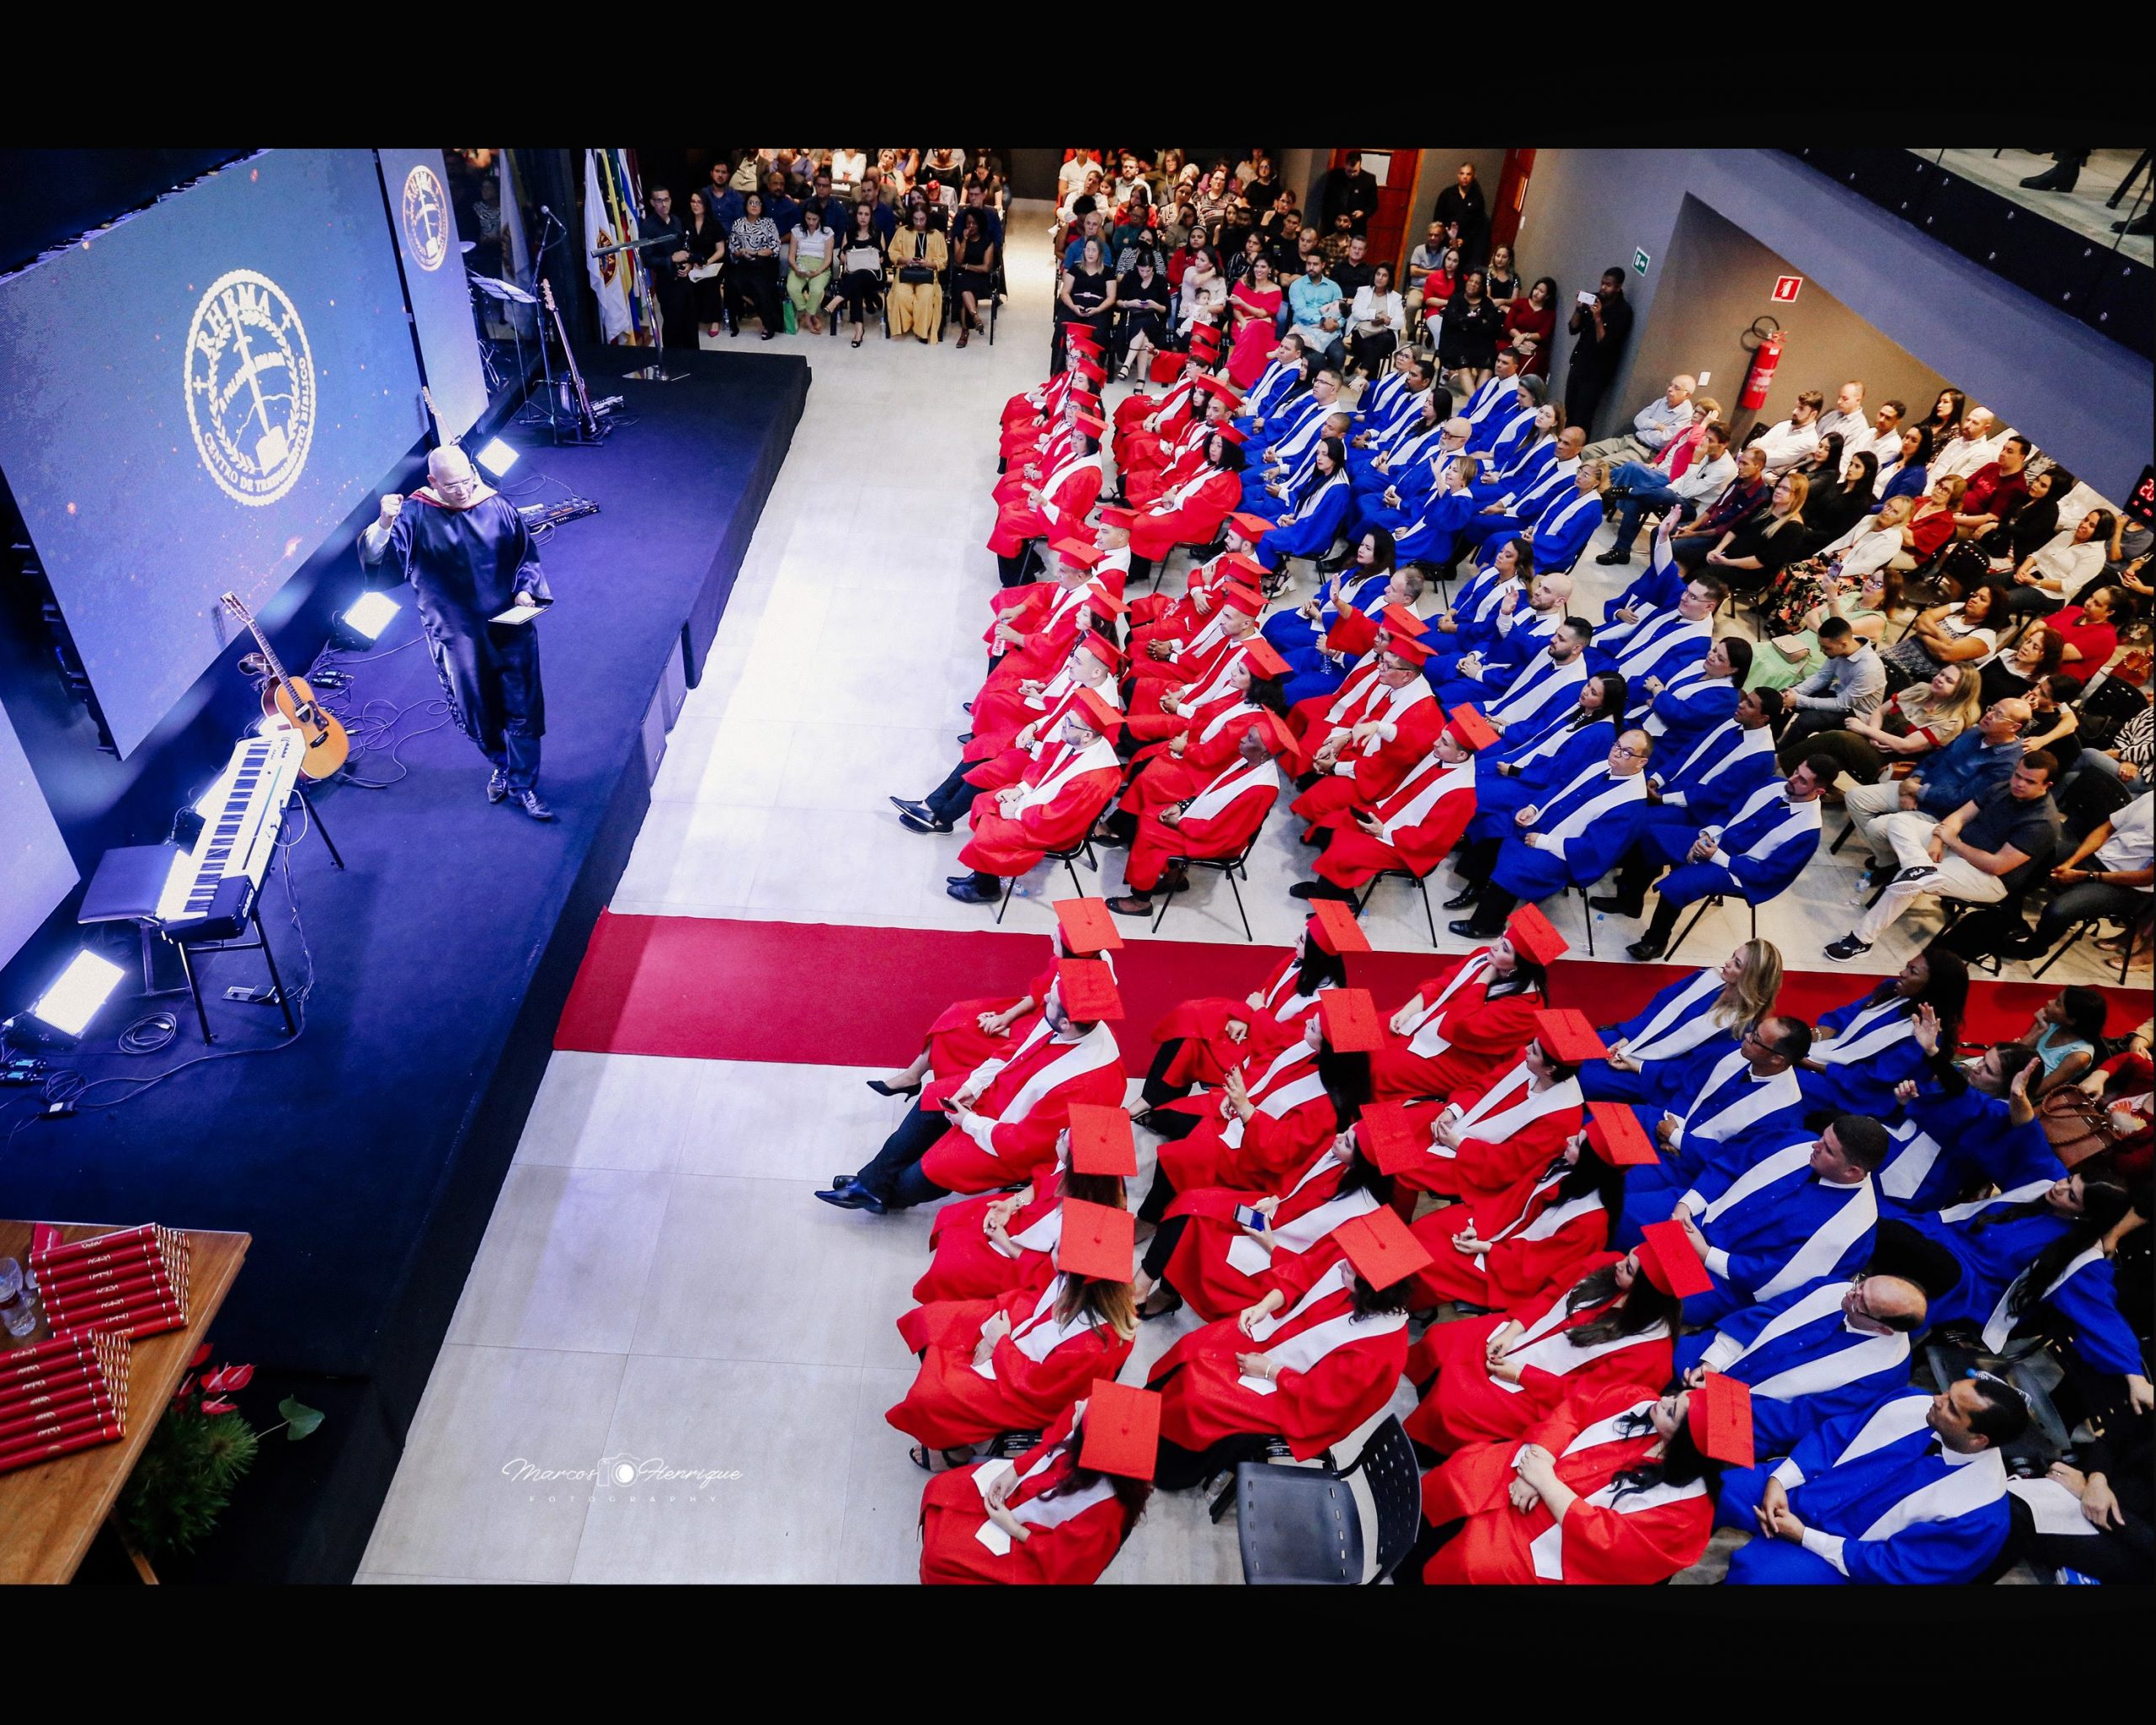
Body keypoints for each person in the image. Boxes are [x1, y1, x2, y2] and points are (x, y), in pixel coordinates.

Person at [1146, 1205, 1427, 1490]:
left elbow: (1321, 1400)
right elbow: (1302, 1272)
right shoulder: (1352, 1259)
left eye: (1351, 1271)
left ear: (1371, 1290)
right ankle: (1147, 1418)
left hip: (1295, 1397)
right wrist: (1264, 1306)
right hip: (1279, 1333)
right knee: (1195, 1347)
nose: (1342, 1264)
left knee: (1200, 1394)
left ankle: (1169, 1470)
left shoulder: (1378, 1353)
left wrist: (1269, 1370)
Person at [819, 968, 1128, 1215]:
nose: (1044, 997)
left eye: (1052, 1000)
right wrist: (973, 1086)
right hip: (999, 1095)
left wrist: (969, 1122)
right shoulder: (1067, 1021)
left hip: (1010, 1139)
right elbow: (1013, 1050)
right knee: (933, 1099)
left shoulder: (1089, 1081)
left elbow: (1026, 1143)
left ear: (1066, 1022)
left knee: (933, 1168)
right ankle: (872, 1183)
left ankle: (890, 1196)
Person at [1407, 1374, 1753, 1586]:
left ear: (1686, 1445)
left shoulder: (1684, 1515)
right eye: (1675, 1396)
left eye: (1671, 1411)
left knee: (1475, 1561)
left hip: (1565, 1537)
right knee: (1463, 1475)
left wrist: (1545, 1482)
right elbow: (1575, 1411)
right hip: (1538, 1469)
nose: (1662, 1399)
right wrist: (1543, 1455)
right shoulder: (1640, 1401)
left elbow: (1608, 1543)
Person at [359, 446, 552, 818]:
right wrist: (383, 524)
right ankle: (503, 765)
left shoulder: (497, 506)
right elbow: (382, 567)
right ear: (433, 481)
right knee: (477, 709)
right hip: (457, 634)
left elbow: (525, 557)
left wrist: (526, 589)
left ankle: (524, 785)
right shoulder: (415, 514)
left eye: (467, 481)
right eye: (452, 486)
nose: (463, 491)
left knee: (524, 708)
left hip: (509, 628)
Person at [1404, 1226, 1691, 1456]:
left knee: (1454, 1401)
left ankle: (1424, 1449)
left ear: (1646, 1294)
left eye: (1628, 1269)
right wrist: (1513, 1330)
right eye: (1627, 1257)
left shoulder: (1649, 1356)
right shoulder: (1607, 1266)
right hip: (1527, 1331)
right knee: (1442, 1340)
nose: (1618, 1263)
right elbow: (1551, 1293)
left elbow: (1585, 1399)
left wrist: (1521, 1375)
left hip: (1546, 1395)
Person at [887, 1208, 1137, 1466]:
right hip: (1017, 1326)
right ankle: (954, 1430)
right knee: (932, 1321)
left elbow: (1040, 1389)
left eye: (1058, 1251)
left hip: (1028, 1387)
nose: (1052, 1253)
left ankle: (956, 1450)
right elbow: (1031, 1295)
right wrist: (991, 1332)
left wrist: (1000, 1344)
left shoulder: (1094, 1346)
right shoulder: (1089, 1283)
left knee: (931, 1397)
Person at [1717, 1378, 2027, 1584]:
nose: (1936, 1399)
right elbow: (1834, 1438)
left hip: (1845, 1557)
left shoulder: (1980, 1516)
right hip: (1803, 1491)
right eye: (1947, 1392)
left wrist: (1803, 1536)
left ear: (1977, 1440)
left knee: (1757, 1577)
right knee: (1713, 1490)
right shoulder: (1909, 1401)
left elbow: (1895, 1568)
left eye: (1952, 1408)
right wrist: (1779, 1481)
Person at [1822, 749, 2062, 964]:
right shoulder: (2002, 788)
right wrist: (1939, 839)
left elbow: (1996, 865)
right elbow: (1959, 817)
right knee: (1897, 822)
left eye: (2029, 781)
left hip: (1988, 878)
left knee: (1911, 882)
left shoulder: (2042, 822)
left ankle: (1861, 940)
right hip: (1956, 847)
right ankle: (1917, 866)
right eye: (2017, 775)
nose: (2019, 783)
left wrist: (1951, 841)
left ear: (2047, 785)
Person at [1675, 1271, 1925, 1458]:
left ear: (1883, 1329)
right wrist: (1714, 1360)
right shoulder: (1833, 1287)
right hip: (1731, 1349)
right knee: (1655, 1350)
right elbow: (1765, 1314)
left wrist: (1719, 1399)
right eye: (1861, 1284)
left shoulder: (1884, 1374)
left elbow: (1800, 1418)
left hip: (1755, 1415)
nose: (1850, 1294)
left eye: (1861, 1303)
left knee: (1675, 1425)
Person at [1615, 757, 1832, 962]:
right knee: (1650, 836)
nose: (1792, 779)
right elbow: (1730, 811)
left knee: (1679, 884)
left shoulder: (1808, 830)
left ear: (1819, 791)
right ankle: (1629, 901)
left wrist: (1718, 857)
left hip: (1741, 870)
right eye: (1796, 772)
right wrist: (1707, 836)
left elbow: (1769, 874)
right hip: (1719, 840)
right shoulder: (1772, 784)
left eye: (1803, 780)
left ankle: (1655, 941)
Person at [1580, 939, 1783, 1106]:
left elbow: (1694, 1069)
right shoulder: (1709, 977)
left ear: (1751, 980)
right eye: (1732, 956)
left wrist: (1637, 1066)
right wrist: (1628, 1038)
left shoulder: (1740, 1029)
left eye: (1737, 964)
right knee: (1574, 1046)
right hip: (1638, 1037)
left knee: (1585, 1078)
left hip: (1656, 1074)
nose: (1727, 962)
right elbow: (1661, 1004)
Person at [2005, 794, 2153, 963]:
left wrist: (2087, 876)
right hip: (2098, 859)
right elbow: (2106, 830)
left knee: (2058, 911)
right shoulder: (2150, 797)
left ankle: (2032, 949)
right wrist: (2070, 862)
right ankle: (2010, 917)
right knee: (2035, 850)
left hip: (2128, 888)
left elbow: (2146, 878)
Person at [1795, 660, 1979, 782]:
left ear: (1960, 692)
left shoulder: (1950, 722)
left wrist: (1867, 731)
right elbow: (1880, 711)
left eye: (1949, 680)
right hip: (1874, 740)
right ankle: (1805, 782)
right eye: (1941, 674)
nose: (1939, 679)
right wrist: (1874, 734)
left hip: (1889, 762)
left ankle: (1782, 763)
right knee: (1827, 738)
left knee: (1837, 738)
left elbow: (1905, 747)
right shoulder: (1922, 689)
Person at [1596, 416, 1737, 565]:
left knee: (1663, 494)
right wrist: (1658, 491)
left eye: (1711, 440)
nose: (1704, 442)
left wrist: (1695, 461)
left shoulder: (1724, 469)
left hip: (1695, 510)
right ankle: (1621, 550)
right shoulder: (1706, 453)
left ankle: (1626, 490)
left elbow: (1688, 492)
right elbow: (1682, 481)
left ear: (1724, 444)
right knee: (1638, 498)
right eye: (1705, 437)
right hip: (1678, 494)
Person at [1777, 616, 1887, 749]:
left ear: (1844, 644)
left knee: (1805, 721)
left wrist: (1799, 700)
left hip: (1856, 712)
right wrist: (1795, 692)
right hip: (1838, 693)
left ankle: (1780, 755)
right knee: (1782, 697)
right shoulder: (1841, 646)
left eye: (1826, 648)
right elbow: (1823, 676)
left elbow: (1841, 704)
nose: (1821, 651)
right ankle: (1770, 740)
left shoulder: (1868, 669)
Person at [2007, 509, 2118, 617]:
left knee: (2006, 599)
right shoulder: (2067, 534)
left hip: (2052, 594)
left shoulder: (2096, 556)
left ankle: (2003, 624)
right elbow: (2037, 555)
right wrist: (2022, 570)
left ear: (2099, 533)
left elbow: (2067, 585)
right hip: (2031, 575)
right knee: (1995, 584)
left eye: (2091, 525)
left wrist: (2036, 582)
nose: (2084, 525)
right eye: (2085, 519)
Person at [1562, 268, 1634, 435]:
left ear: (1618, 287)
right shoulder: (1593, 299)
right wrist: (1579, 309)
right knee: (1569, 411)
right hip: (1578, 364)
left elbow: (1605, 345)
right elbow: (1573, 328)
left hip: (1596, 374)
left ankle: (1578, 448)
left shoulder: (1623, 311)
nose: (1603, 288)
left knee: (1583, 418)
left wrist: (1598, 318)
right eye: (1602, 283)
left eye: (1608, 285)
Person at [1582, 373, 1696, 467]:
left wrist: (1646, 428)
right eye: (1670, 385)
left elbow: (1664, 440)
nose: (1670, 389)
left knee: (1601, 464)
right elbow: (1638, 419)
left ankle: (1596, 486)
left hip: (1645, 451)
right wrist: (1657, 426)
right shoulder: (1662, 401)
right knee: (1588, 450)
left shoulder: (1686, 414)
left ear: (1687, 395)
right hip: (1630, 439)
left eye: (1677, 388)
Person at [884, 202, 948, 344]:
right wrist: (906, 260)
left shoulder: (936, 235)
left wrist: (927, 264)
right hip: (905, 272)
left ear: (927, 218)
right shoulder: (902, 231)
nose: (919, 223)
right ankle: (906, 325)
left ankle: (921, 331)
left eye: (922, 219)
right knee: (900, 294)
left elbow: (943, 260)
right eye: (916, 219)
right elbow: (893, 253)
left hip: (928, 274)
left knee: (926, 296)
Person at [726, 190, 785, 338]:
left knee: (758, 284)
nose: (754, 206)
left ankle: (769, 325)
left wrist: (755, 252)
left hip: (764, 262)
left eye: (757, 203)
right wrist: (741, 252)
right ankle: (732, 323)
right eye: (751, 203)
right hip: (744, 262)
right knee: (731, 282)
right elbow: (733, 247)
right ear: (746, 206)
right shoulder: (738, 223)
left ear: (762, 206)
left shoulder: (768, 223)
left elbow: (774, 247)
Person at [1435, 270, 1505, 392]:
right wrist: (1478, 321)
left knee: (1488, 365)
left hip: (1480, 343)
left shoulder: (1487, 303)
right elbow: (1453, 321)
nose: (1473, 284)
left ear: (1482, 287)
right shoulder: (1456, 299)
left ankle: (1477, 400)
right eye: (1471, 281)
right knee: (1463, 363)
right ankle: (1474, 401)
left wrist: (1467, 322)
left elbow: (1491, 326)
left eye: (1477, 283)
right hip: (1456, 343)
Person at [678, 188, 730, 339]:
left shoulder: (714, 224)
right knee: (686, 281)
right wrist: (690, 263)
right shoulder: (685, 223)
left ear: (706, 205)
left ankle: (714, 320)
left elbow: (720, 250)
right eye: (693, 202)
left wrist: (706, 263)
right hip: (692, 262)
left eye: (699, 202)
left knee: (710, 283)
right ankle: (693, 316)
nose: (695, 205)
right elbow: (683, 247)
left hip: (713, 262)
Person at [1347, 264, 1406, 381]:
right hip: (1363, 333)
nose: (1380, 278)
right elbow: (1356, 312)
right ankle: (1369, 383)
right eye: (1378, 274)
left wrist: (1387, 321)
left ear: (1389, 279)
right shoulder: (1363, 291)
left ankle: (1362, 372)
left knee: (1382, 341)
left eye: (1384, 275)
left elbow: (1400, 322)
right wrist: (1376, 315)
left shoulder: (1396, 297)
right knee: (1373, 350)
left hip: (1384, 335)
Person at [947, 207, 996, 348]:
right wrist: (965, 240)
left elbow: (986, 268)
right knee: (963, 284)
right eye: (968, 223)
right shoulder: (959, 238)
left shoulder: (987, 241)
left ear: (980, 224)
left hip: (981, 279)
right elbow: (958, 261)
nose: (971, 226)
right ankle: (975, 317)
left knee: (964, 286)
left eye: (974, 223)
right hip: (961, 276)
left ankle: (965, 332)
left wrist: (967, 266)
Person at [782, 200, 833, 335]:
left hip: (820, 265)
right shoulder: (797, 230)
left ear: (820, 218)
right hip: (800, 264)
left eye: (814, 219)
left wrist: (818, 271)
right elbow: (791, 256)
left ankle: (808, 318)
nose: (811, 222)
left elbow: (828, 258)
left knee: (816, 290)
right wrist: (796, 268)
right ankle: (809, 315)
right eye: (808, 219)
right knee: (792, 288)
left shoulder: (827, 232)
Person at [1432, 160, 1489, 269]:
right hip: (1445, 242)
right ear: (1458, 175)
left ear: (1474, 176)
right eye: (1462, 173)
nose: (1465, 177)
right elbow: (1438, 219)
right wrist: (1447, 238)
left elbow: (1478, 224)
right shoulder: (1447, 194)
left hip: (1466, 246)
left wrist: (1464, 240)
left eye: (1468, 174)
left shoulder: (1477, 198)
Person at [1503, 275, 1557, 378]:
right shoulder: (1520, 303)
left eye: (1541, 291)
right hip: (1512, 338)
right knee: (1507, 354)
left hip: (1533, 344)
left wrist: (1525, 337)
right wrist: (1519, 337)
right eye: (1536, 289)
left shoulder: (1549, 313)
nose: (1536, 293)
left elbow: (1543, 334)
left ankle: (1520, 385)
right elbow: (1508, 324)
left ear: (1547, 296)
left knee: (1533, 361)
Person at [1319, 151, 1380, 236]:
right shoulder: (1334, 176)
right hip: (1334, 223)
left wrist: (1363, 213)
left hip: (1356, 225)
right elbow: (1327, 199)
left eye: (1355, 171)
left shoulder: (1369, 180)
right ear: (1345, 165)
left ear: (1360, 166)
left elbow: (1373, 205)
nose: (1352, 174)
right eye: (1349, 171)